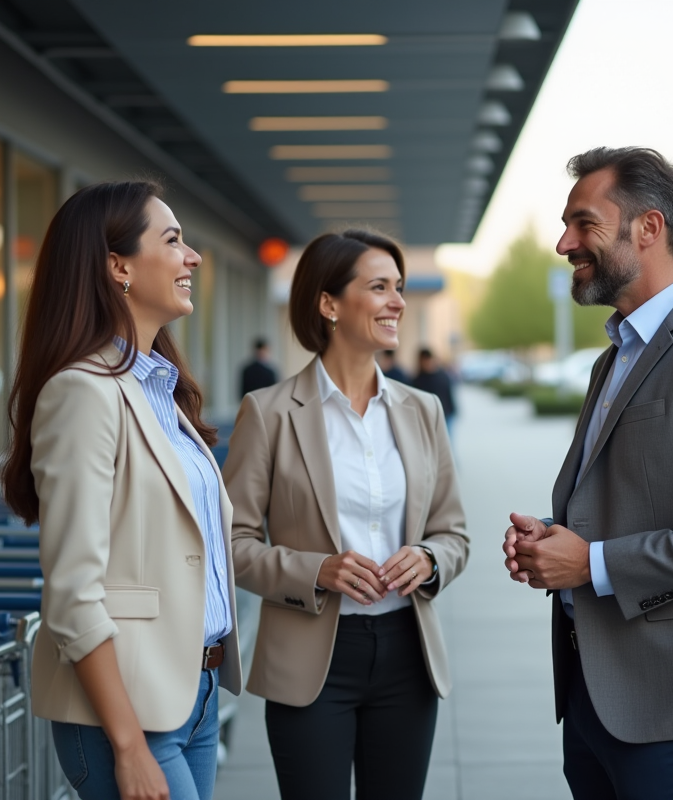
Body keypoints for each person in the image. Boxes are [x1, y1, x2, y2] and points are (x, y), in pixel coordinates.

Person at [502, 147, 673, 800]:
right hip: (596, 692)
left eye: (583, 223)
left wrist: (590, 563)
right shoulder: (615, 357)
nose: (563, 241)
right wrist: (552, 539)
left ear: (648, 228)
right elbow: (632, 502)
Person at [0, 181, 241, 800]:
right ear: (118, 267)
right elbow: (73, 593)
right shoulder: (83, 392)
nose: (192, 257)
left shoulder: (159, 390)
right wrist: (129, 744)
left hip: (194, 693)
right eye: (173, 240)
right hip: (128, 714)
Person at [224, 229, 470, 800]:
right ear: (329, 303)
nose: (398, 302)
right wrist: (316, 570)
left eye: (401, 288)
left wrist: (430, 559)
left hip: (408, 654)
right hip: (312, 661)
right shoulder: (268, 414)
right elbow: (231, 543)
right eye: (379, 287)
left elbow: (453, 531)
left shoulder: (422, 411)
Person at [410, 347, 456, 431]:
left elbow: (449, 395)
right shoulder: (418, 380)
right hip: (428, 418)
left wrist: (452, 412)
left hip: (445, 415)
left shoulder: (442, 376)